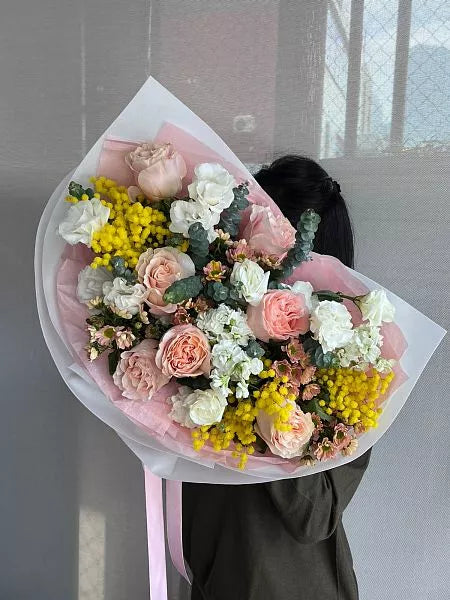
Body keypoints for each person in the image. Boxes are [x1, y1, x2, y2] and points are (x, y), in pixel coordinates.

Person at [182, 155, 372, 600]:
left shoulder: (353, 364)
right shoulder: (207, 335)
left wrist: (270, 392)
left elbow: (315, 517)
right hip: (211, 577)